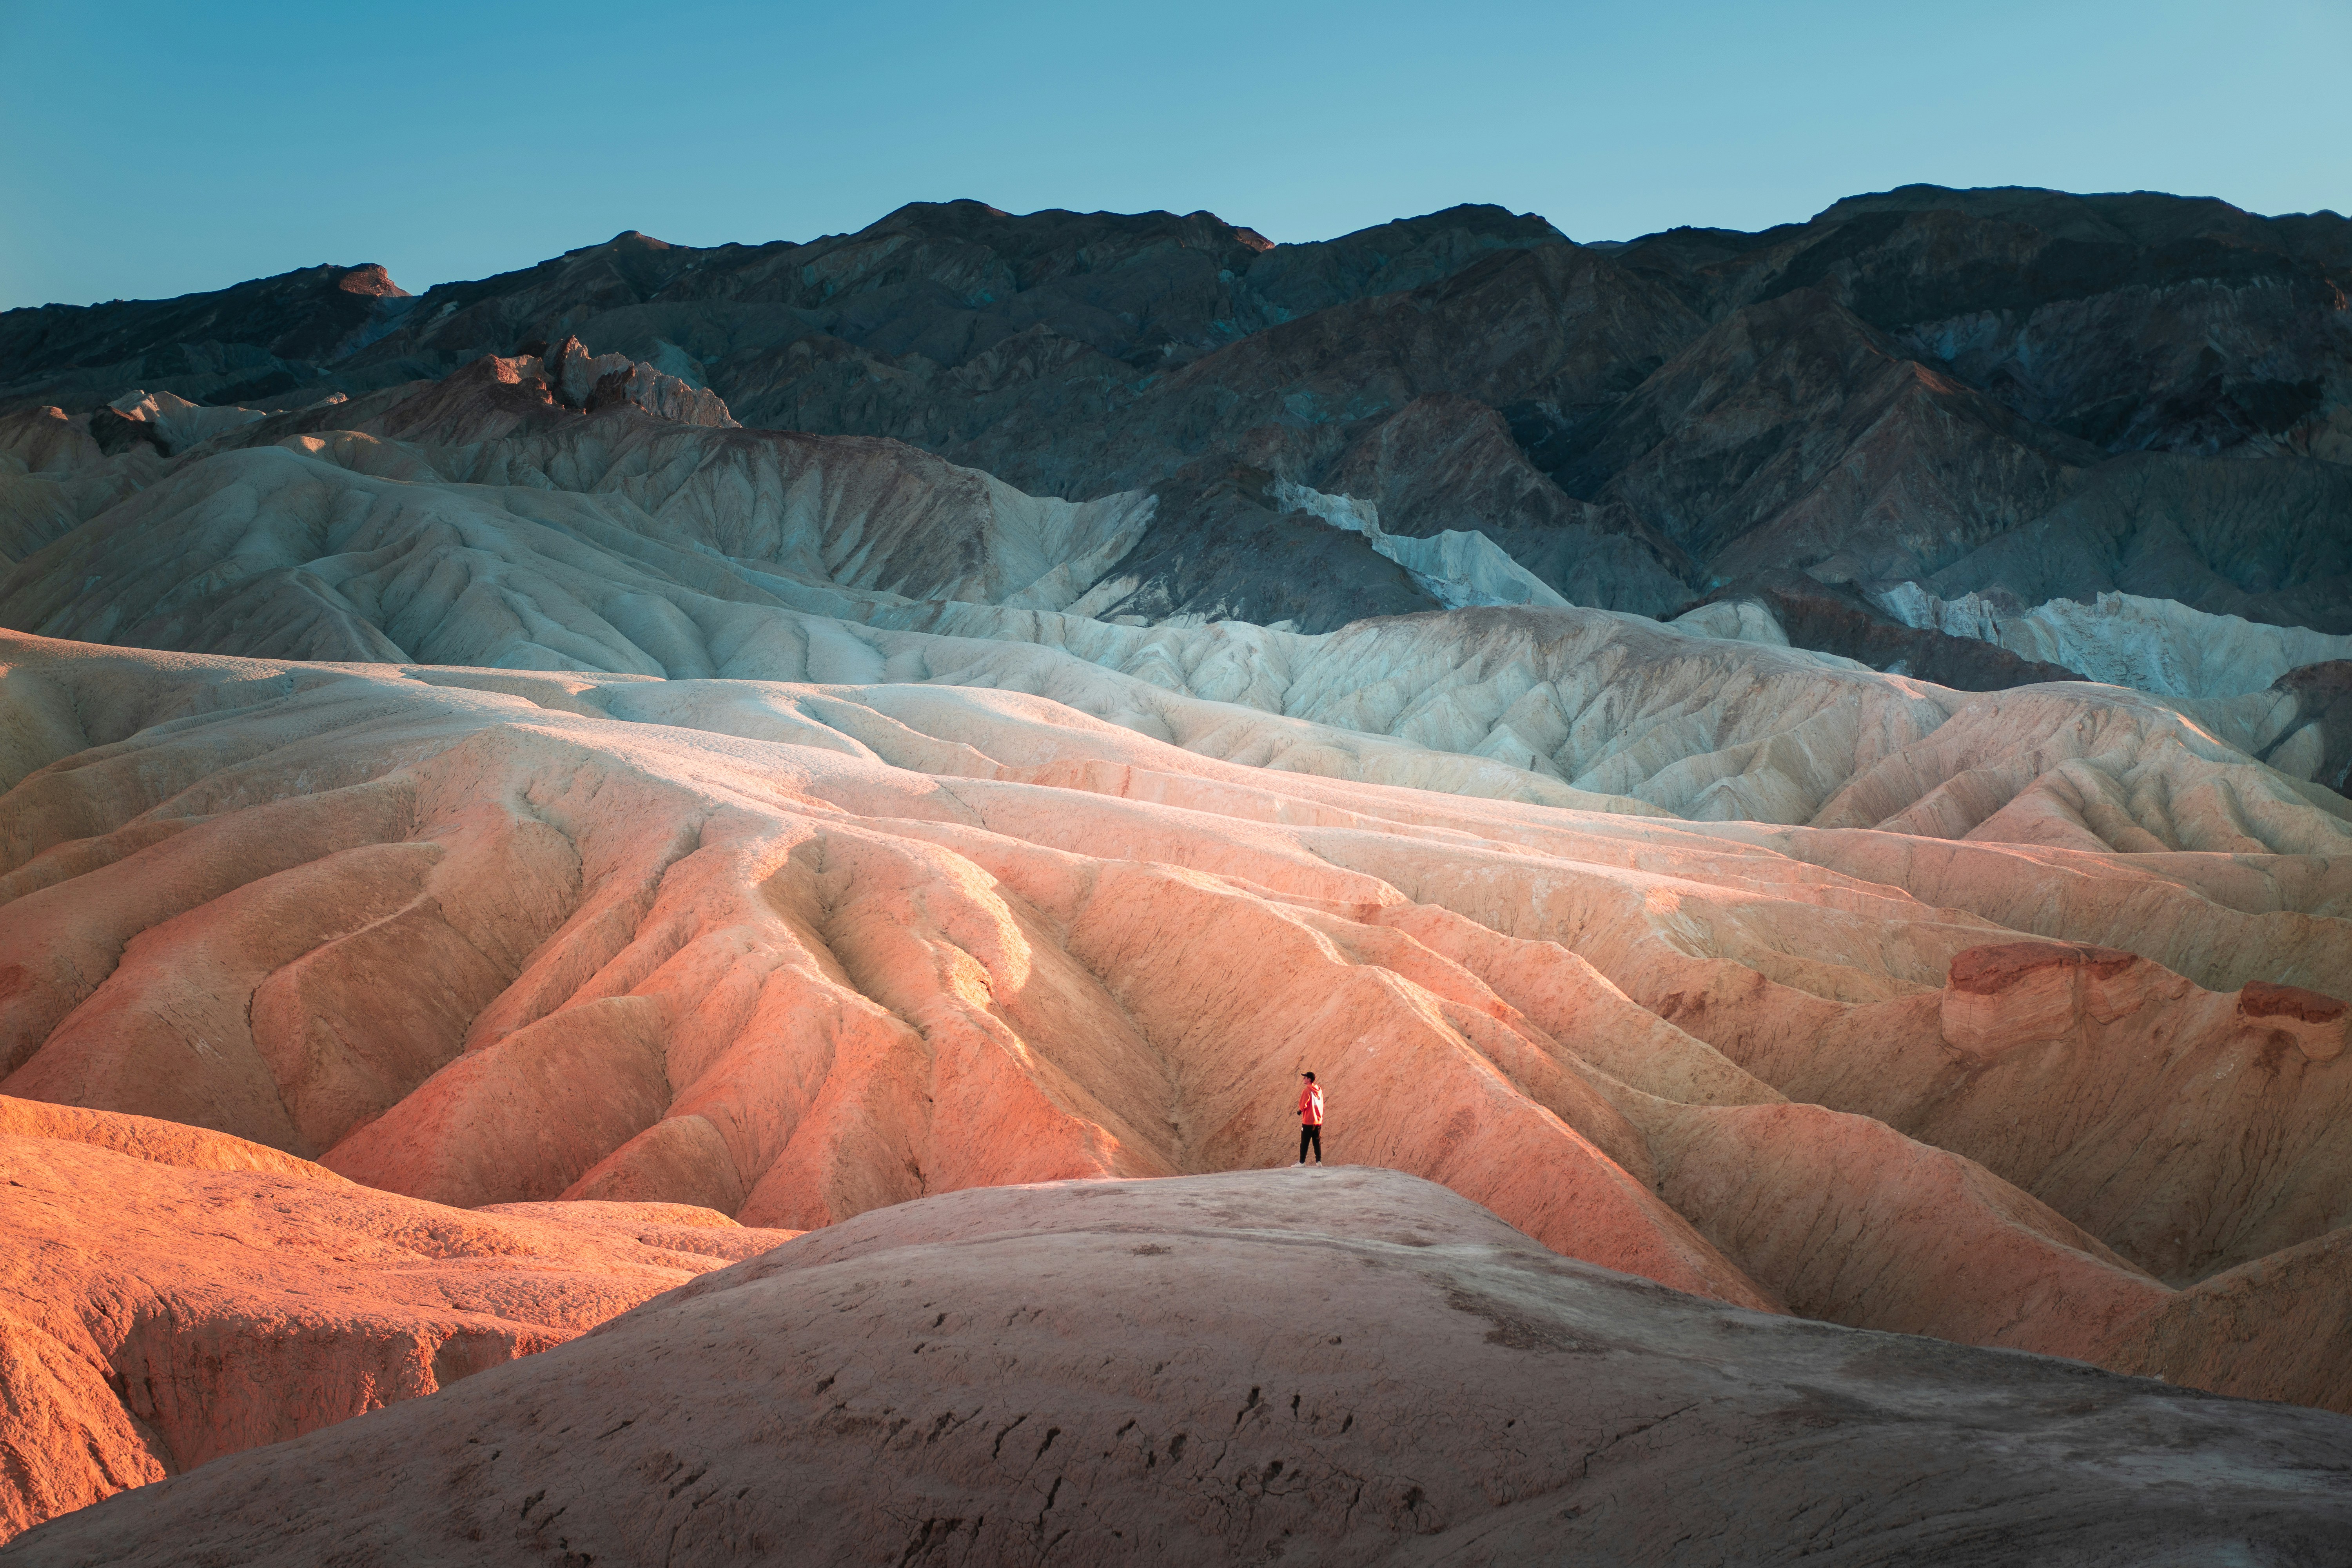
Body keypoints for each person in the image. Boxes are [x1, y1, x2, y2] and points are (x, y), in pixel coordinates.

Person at [1296, 1071, 1324, 1165]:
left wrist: (1300, 1110)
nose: (1304, 1079)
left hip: (1309, 1121)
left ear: (1309, 1080)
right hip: (1318, 1120)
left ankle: (1302, 1162)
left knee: (1305, 1142)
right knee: (1317, 1141)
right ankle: (1319, 1161)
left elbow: (1303, 1105)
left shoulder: (1307, 1091)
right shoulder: (1319, 1090)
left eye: (1305, 1078)